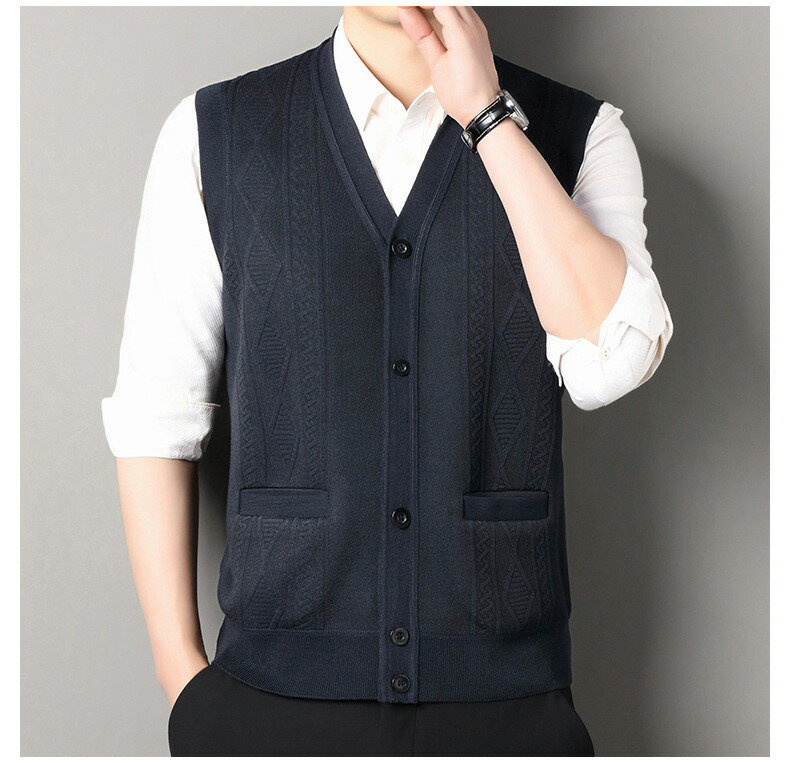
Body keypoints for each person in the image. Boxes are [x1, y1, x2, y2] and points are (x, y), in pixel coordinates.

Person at [101, 5, 673, 756]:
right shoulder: (215, 134)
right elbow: (156, 416)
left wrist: (489, 117)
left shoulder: (581, 134)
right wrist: (184, 681)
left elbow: (611, 363)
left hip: (505, 704)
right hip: (268, 701)